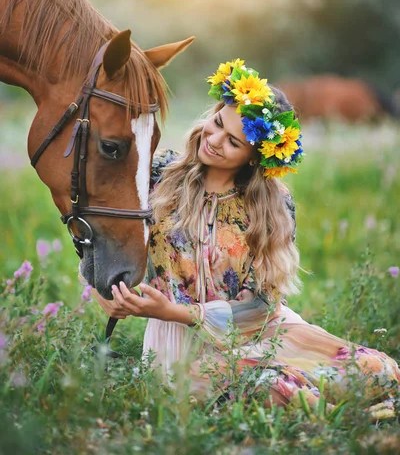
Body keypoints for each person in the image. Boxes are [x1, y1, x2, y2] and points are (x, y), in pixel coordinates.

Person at [94, 59, 400, 418]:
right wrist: (106, 295)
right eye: (218, 122)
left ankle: (324, 401)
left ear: (254, 158)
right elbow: (99, 231)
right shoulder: (157, 176)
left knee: (380, 371)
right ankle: (345, 418)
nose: (214, 140)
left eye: (234, 142)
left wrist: (177, 309)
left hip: (258, 333)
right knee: (268, 384)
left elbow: (262, 305)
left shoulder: (272, 205)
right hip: (185, 344)